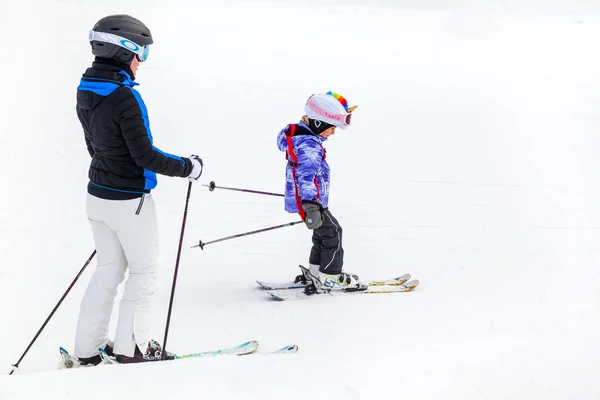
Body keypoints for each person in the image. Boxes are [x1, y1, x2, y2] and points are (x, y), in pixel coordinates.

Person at [73, 14, 203, 365]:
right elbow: (145, 155)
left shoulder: (87, 87)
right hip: (129, 201)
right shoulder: (124, 98)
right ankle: (132, 349)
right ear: (123, 51)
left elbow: (94, 145)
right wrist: (188, 167)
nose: (140, 62)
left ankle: (86, 350)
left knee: (108, 271)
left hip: (97, 197)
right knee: (142, 272)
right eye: (140, 53)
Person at [276, 92, 364, 295]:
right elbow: (306, 176)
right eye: (331, 128)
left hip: (311, 200)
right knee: (333, 233)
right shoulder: (309, 146)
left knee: (322, 234)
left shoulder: (303, 140)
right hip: (312, 201)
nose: (332, 133)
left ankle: (317, 272)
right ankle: (330, 277)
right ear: (318, 124)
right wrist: (311, 204)